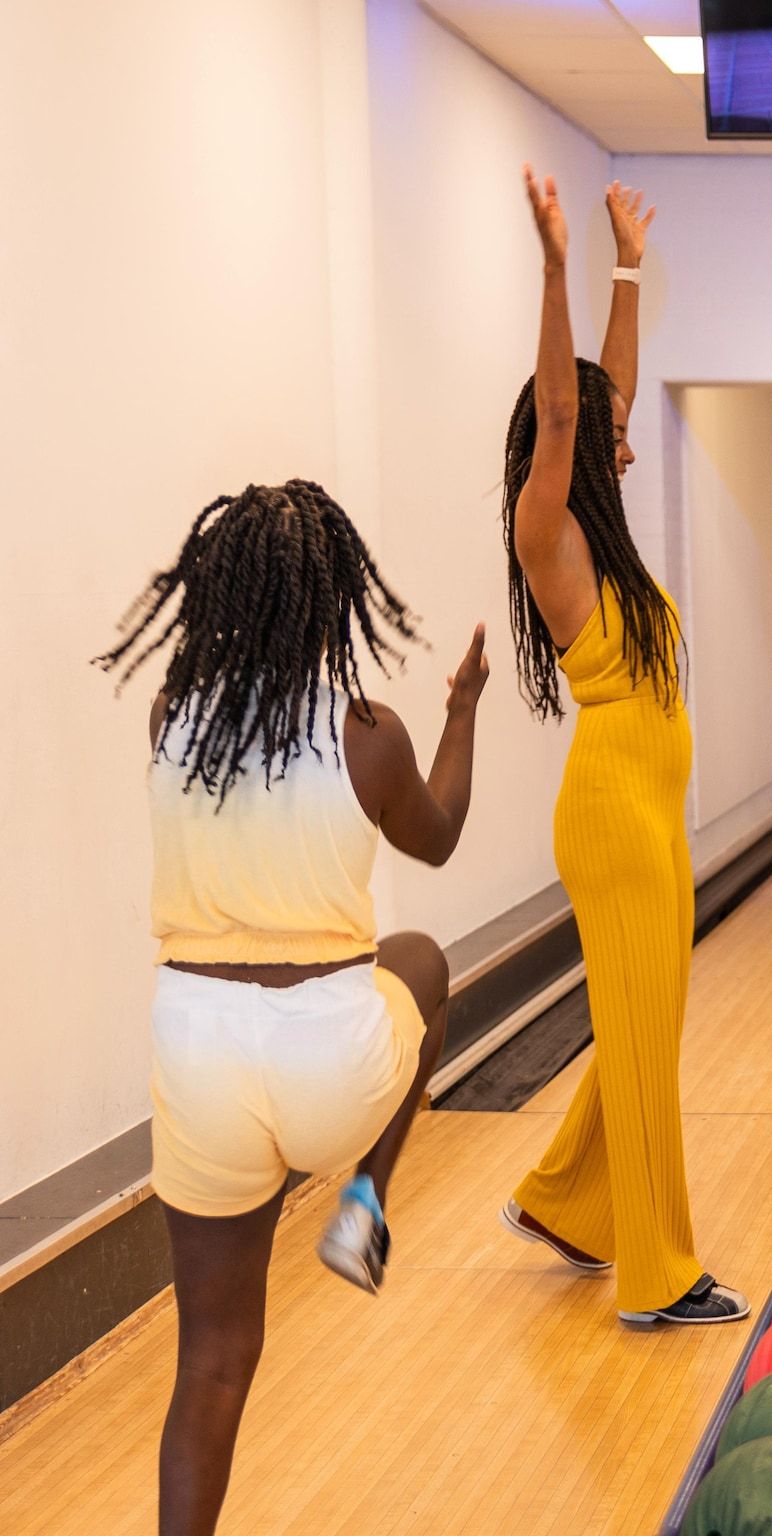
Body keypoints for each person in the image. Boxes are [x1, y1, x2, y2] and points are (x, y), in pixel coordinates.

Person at [97, 481, 487, 1534]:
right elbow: (440, 836)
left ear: (220, 595)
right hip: (332, 1058)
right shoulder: (369, 732)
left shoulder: (171, 716)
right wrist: (461, 713)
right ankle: (364, 1205)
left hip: (198, 1053)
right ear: (330, 601)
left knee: (213, 1360)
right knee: (420, 960)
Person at [495, 168, 747, 1327]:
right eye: (613, 434)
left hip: (648, 809)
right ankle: (656, 1275)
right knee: (643, 1043)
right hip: (612, 814)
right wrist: (555, 270)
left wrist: (628, 268)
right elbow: (566, 411)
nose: (627, 444)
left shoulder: (597, 532)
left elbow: (603, 390)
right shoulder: (544, 529)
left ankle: (566, 1201)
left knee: (646, 1028)